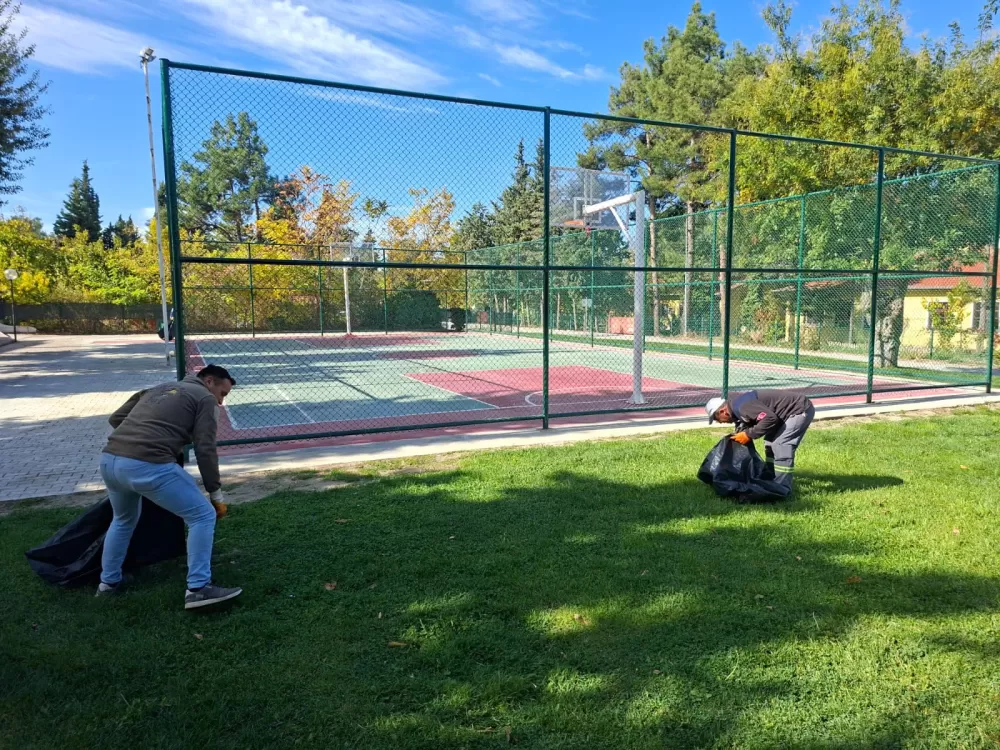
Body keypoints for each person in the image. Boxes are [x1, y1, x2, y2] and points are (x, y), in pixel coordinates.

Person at [97, 364, 242, 610]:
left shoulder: (159, 388)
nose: (220, 402)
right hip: (147, 463)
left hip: (110, 460)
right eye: (222, 394)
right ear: (209, 382)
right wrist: (215, 494)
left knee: (123, 520)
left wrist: (144, 435)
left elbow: (116, 418)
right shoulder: (204, 399)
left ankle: (108, 584)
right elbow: (205, 448)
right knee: (203, 515)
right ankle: (198, 589)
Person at [705, 389, 816, 493]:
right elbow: (755, 420)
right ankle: (770, 477)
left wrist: (749, 435)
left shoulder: (743, 407)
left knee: (781, 445)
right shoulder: (736, 408)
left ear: (723, 411)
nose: (719, 422)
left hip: (799, 409)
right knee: (769, 443)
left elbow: (770, 419)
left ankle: (782, 487)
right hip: (783, 414)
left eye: (716, 418)